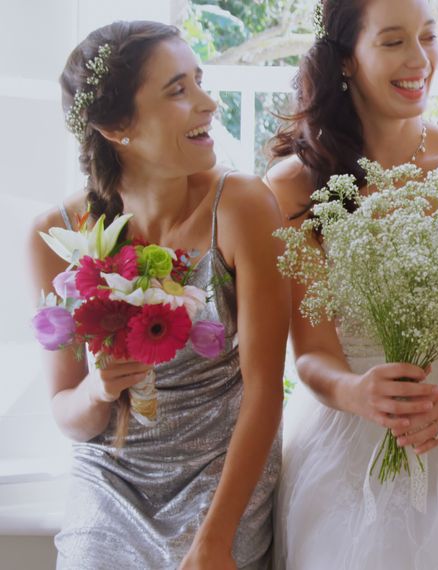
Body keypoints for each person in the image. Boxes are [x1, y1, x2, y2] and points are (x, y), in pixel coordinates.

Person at [265, 0, 438, 567]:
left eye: (428, 37)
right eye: (392, 42)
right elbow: (310, 351)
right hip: (343, 436)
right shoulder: (292, 186)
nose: (420, 60)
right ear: (345, 61)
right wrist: (354, 392)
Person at [27, 20, 289, 569]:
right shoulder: (57, 236)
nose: (209, 103)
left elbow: (265, 391)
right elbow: (67, 414)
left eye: (199, 81)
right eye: (179, 90)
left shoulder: (242, 206)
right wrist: (98, 390)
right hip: (110, 480)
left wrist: (216, 538)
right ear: (116, 126)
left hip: (219, 478)